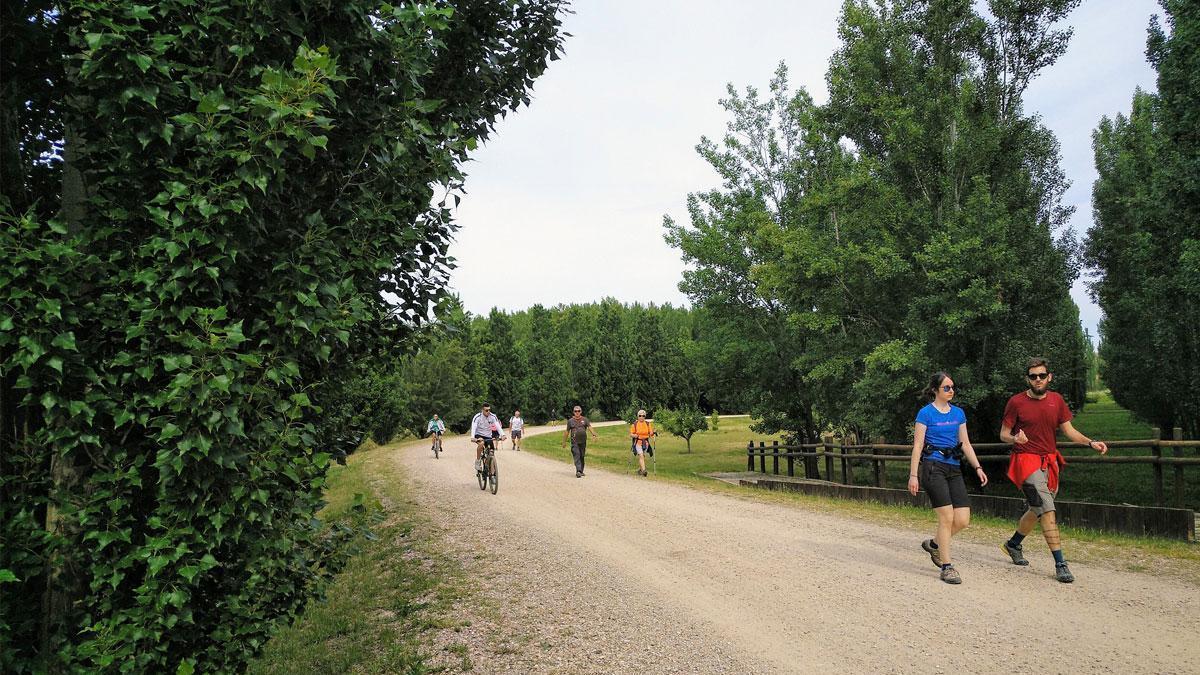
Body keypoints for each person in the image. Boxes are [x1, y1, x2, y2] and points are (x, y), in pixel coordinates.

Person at [998, 357, 1108, 583]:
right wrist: (1015, 438)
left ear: (1049, 377)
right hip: (1025, 461)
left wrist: (1090, 442)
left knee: (1036, 509)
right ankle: (1061, 563)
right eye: (1032, 376)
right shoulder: (1016, 402)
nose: (1037, 379)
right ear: (1027, 379)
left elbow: (1069, 430)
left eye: (1041, 375)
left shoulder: (1057, 400)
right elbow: (1003, 434)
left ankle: (1013, 544)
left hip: (1049, 462)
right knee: (1047, 510)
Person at [907, 372, 988, 584]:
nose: (951, 391)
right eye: (946, 388)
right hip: (933, 468)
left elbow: (966, 443)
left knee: (962, 520)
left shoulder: (959, 413)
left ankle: (934, 545)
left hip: (954, 467)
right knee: (947, 517)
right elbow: (917, 446)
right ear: (935, 390)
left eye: (952, 387)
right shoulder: (925, 414)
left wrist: (977, 467)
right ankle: (947, 566)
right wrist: (913, 475)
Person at [561, 405, 598, 478]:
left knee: (582, 455)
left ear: (581, 412)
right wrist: (564, 442)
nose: (577, 412)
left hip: (583, 441)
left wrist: (594, 434)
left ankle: (581, 470)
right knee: (576, 454)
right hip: (574, 441)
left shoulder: (585, 419)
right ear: (573, 412)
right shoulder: (570, 421)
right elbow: (567, 432)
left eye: (578, 411)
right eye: (575, 411)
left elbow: (590, 427)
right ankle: (578, 471)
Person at [470, 404, 505, 472]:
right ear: (482, 410)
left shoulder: (493, 416)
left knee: (491, 453)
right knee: (481, 443)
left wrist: (503, 435)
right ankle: (478, 461)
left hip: (488, 435)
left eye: (489, 410)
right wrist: (472, 437)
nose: (488, 411)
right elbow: (474, 427)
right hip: (479, 434)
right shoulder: (477, 417)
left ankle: (492, 473)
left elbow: (497, 426)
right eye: (486, 410)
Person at [629, 409, 656, 477]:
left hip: (645, 443)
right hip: (638, 442)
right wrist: (635, 435)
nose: (642, 417)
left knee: (642, 456)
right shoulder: (634, 424)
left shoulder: (647, 424)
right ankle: (644, 471)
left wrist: (654, 432)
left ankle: (640, 470)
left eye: (643, 416)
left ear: (645, 416)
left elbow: (650, 433)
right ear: (638, 416)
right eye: (640, 415)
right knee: (641, 455)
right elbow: (631, 434)